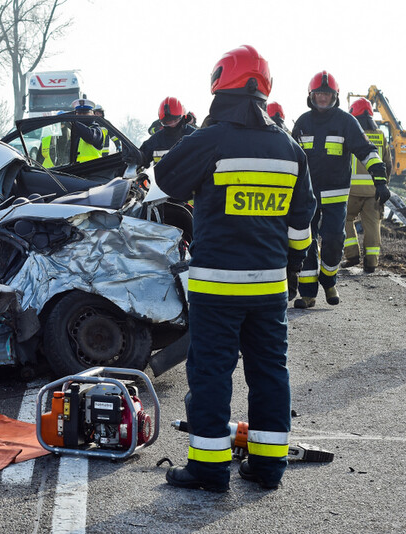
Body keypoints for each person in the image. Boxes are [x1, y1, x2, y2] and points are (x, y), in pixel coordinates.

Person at [156, 45, 316, 492]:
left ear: (219, 82)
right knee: (270, 374)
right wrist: (290, 268)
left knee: (210, 374)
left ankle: (208, 470)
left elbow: (167, 178)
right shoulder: (288, 147)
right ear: (265, 88)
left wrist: (197, 137)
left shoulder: (213, 138)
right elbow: (303, 219)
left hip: (217, 286)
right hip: (268, 288)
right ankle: (267, 469)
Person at [292, 72, 389, 308]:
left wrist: (380, 179)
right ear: (311, 96)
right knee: (305, 242)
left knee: (335, 240)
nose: (323, 98)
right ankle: (307, 294)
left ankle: (328, 279)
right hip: (307, 196)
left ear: (335, 96)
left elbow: (366, 151)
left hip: (336, 196)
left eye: (327, 94)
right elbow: (291, 157)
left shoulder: (346, 122)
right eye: (319, 94)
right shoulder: (303, 122)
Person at [342, 98, 392, 273]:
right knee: (372, 225)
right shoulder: (380, 136)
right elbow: (387, 164)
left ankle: (352, 255)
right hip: (374, 192)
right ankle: (371, 263)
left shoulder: (349, 134)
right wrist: (383, 185)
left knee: (344, 220)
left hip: (350, 191)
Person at [137, 97, 197, 168]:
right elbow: (139, 158)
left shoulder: (194, 135)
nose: (172, 125)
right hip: (164, 178)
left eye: (175, 121)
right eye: (168, 122)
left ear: (182, 117)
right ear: (162, 122)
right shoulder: (156, 140)